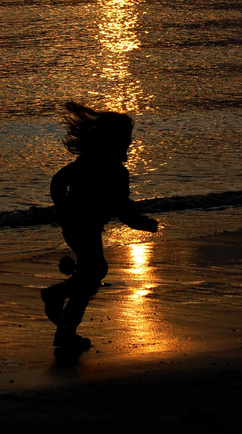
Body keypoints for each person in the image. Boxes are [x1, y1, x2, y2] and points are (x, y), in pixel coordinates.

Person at [42, 101, 158, 351]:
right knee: (91, 275)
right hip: (82, 226)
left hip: (77, 226)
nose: (129, 142)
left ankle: (62, 312)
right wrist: (142, 223)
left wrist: (63, 208)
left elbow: (59, 182)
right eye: (126, 137)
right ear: (115, 140)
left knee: (91, 273)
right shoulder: (108, 168)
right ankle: (62, 319)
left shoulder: (91, 162)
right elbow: (122, 208)